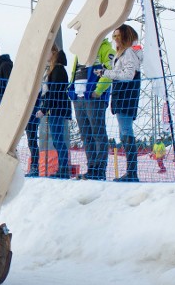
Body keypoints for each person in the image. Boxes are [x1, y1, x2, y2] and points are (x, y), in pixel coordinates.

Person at [97, 24, 142, 183]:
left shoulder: (129, 52)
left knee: (126, 132)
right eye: (114, 36)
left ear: (125, 36)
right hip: (122, 96)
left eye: (117, 35)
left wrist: (106, 73)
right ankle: (131, 172)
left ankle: (132, 173)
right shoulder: (123, 53)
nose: (115, 38)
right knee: (125, 133)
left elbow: (128, 75)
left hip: (125, 96)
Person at [69, 36, 115, 180]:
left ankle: (99, 170)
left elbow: (111, 70)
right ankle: (92, 168)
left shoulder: (106, 48)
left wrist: (99, 90)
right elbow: (75, 72)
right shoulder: (79, 52)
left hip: (93, 97)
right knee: (86, 134)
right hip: (78, 97)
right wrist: (71, 90)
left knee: (98, 132)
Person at [35, 47, 72, 179]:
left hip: (58, 109)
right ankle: (62, 168)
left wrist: (44, 109)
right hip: (55, 108)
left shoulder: (58, 70)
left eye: (47, 53)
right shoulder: (54, 70)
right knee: (57, 140)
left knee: (58, 139)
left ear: (54, 53)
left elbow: (54, 92)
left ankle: (63, 169)